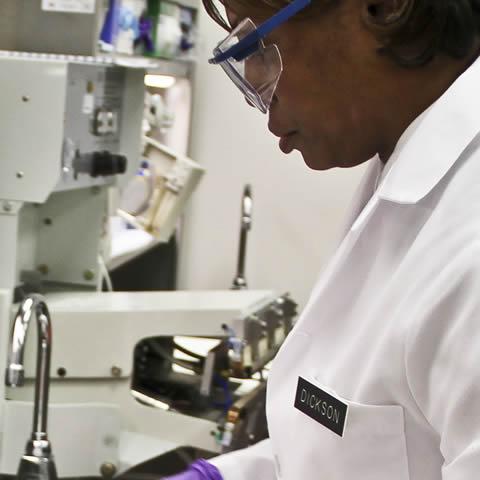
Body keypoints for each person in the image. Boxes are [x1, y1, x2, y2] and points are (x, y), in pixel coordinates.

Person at [164, 0, 480, 478]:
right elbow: (349, 454)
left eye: (257, 45)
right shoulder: (400, 166)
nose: (261, 96)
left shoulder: (469, 231)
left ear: (387, 8)